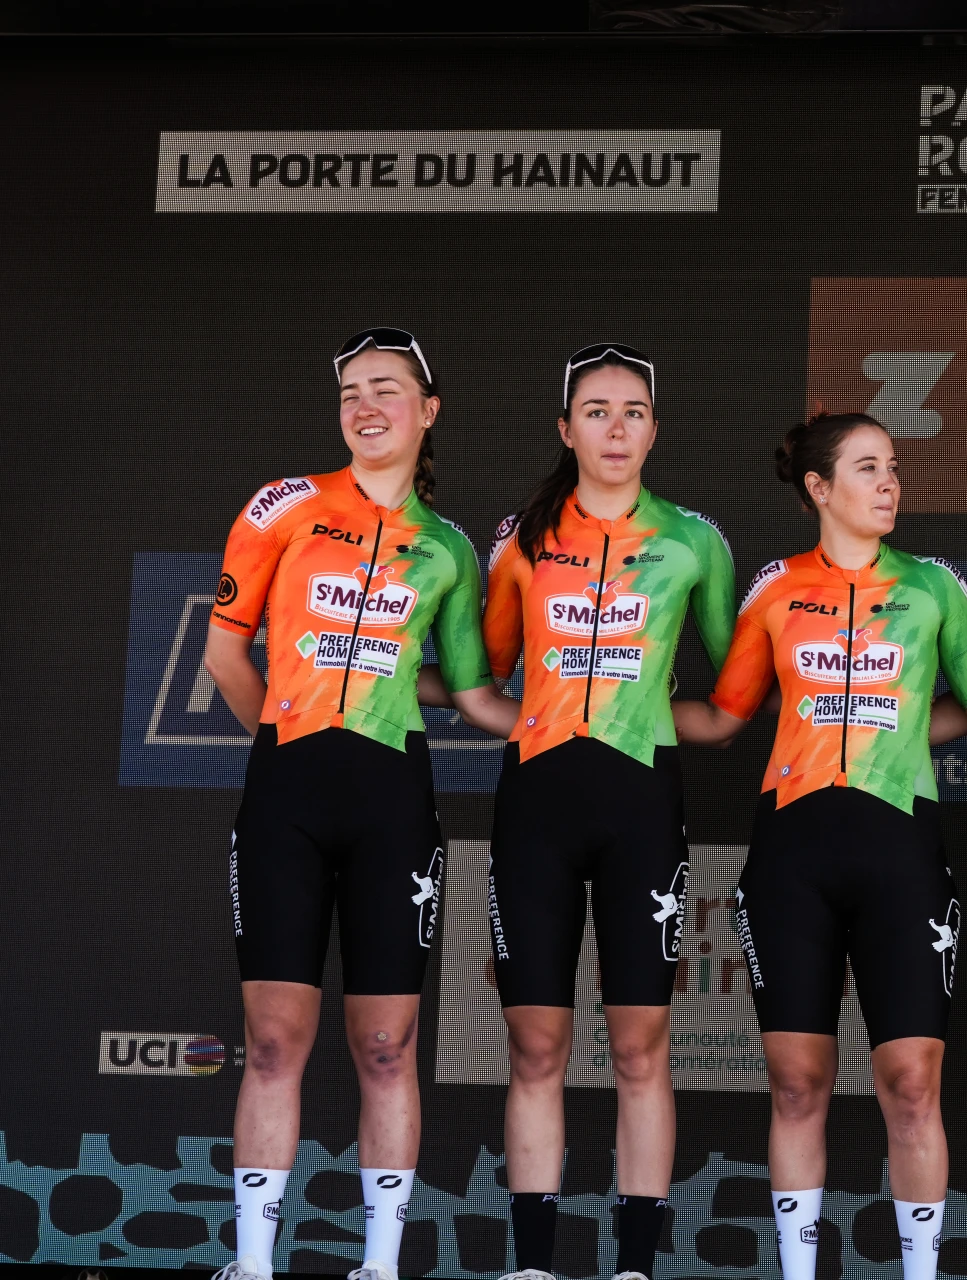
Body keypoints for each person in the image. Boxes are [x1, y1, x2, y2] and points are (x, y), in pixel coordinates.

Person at [674, 410, 967, 1280]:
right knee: (798, 1084)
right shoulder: (774, 589)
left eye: (894, 467)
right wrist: (604, 705)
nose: (889, 483)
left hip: (901, 852)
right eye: (869, 468)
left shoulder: (934, 587)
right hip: (792, 854)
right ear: (819, 487)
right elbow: (725, 716)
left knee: (912, 1082)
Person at [203, 328, 520, 1280]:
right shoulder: (284, 505)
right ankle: (253, 1263)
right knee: (272, 1041)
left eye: (386, 388)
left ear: (429, 411)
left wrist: (580, 710)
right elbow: (225, 653)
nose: (364, 406)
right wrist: (285, 745)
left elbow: (471, 693)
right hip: (287, 794)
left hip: (392, 801)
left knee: (386, 1045)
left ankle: (379, 1265)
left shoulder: (450, 548)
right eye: (350, 392)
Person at [478, 345, 735, 1280]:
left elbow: (736, 697)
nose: (616, 428)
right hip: (537, 802)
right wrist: (548, 722)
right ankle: (534, 1265)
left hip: (641, 804)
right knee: (535, 1045)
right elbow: (483, 678)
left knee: (640, 1047)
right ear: (566, 428)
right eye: (596, 411)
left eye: (633, 412)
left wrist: (644, 719)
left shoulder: (695, 540)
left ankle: (633, 1267)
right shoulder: (521, 538)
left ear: (655, 430)